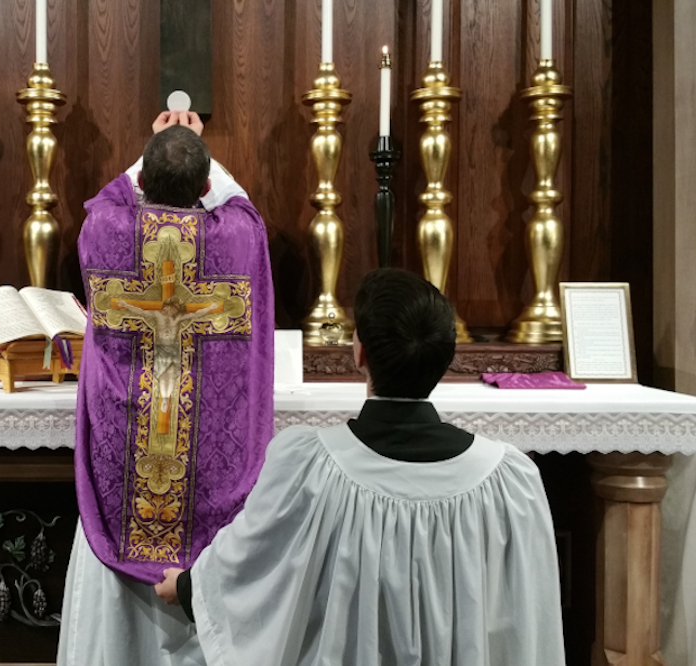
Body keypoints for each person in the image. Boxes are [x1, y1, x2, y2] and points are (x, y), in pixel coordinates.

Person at [155, 268, 566, 666]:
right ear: (445, 359)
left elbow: (252, 555)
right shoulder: (510, 481)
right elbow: (528, 618)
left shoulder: (307, 468)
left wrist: (190, 587)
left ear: (360, 353)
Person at [58, 111, 274, 666]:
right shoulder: (239, 241)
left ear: (144, 183)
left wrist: (152, 148)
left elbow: (110, 195)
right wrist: (197, 150)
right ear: (205, 185)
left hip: (132, 444)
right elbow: (242, 205)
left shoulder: (105, 231)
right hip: (201, 455)